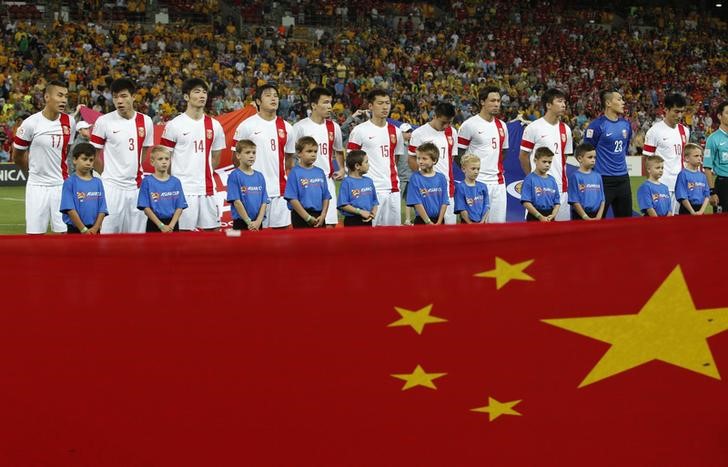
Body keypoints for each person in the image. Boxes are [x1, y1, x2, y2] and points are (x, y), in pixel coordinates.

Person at [160, 78, 226, 231]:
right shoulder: (174, 125)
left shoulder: (215, 125)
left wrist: (203, 172)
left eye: (204, 92)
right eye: (197, 92)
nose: (202, 95)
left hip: (207, 189)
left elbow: (216, 158)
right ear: (186, 97)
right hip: (184, 190)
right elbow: (164, 159)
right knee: (183, 236)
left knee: (213, 234)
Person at [90, 78, 154, 233]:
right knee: (108, 237)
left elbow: (144, 151)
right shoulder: (103, 121)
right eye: (116, 97)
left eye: (124, 96)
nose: (119, 101)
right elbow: (93, 155)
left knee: (137, 238)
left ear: (133, 97)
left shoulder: (145, 121)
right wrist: (106, 175)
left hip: (136, 187)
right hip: (111, 189)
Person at [12, 80, 76, 234]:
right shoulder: (30, 123)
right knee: (35, 235)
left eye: (65, 96)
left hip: (61, 185)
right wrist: (33, 171)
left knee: (64, 233)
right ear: (47, 97)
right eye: (59, 95)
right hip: (37, 187)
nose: (63, 100)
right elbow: (17, 155)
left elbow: (65, 151)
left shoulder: (70, 122)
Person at [232, 84, 293, 228]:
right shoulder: (246, 126)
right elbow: (235, 159)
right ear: (258, 101)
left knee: (282, 235)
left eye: (276, 95)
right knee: (255, 239)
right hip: (254, 192)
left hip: (280, 190)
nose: (273, 98)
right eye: (268, 95)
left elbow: (289, 160)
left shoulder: (287, 127)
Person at [346, 89, 406, 226]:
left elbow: (395, 159)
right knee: (371, 234)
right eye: (380, 103)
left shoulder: (396, 132)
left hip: (393, 189)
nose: (385, 107)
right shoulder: (359, 130)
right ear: (370, 106)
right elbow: (351, 160)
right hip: (371, 190)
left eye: (388, 103)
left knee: (393, 234)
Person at [288, 87, 344, 227]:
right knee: (305, 223)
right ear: (313, 105)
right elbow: (290, 154)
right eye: (325, 102)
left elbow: (338, 150)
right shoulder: (300, 127)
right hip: (306, 182)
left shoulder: (334, 127)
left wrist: (342, 168)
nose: (330, 106)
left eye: (330, 102)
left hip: (327, 179)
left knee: (330, 224)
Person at [519, 88, 573, 221]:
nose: (563, 105)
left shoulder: (565, 129)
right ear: (548, 105)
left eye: (564, 102)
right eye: (559, 101)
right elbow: (523, 156)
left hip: (560, 187)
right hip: (538, 188)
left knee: (561, 234)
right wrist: (533, 178)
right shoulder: (534, 127)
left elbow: (564, 157)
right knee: (535, 233)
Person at [457, 86, 509, 223]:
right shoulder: (469, 125)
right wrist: (470, 174)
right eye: (492, 100)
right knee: (475, 227)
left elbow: (503, 152)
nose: (497, 104)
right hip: (477, 183)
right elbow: (458, 154)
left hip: (498, 183)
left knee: (498, 226)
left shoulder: (502, 126)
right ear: (482, 102)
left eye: (498, 101)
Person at [583, 90, 633, 217]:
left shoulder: (626, 125)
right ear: (608, 103)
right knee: (596, 220)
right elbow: (587, 152)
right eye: (619, 99)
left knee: (626, 222)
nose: (623, 102)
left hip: (623, 179)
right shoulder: (596, 126)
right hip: (602, 180)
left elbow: (624, 149)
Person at [407, 102, 458, 224]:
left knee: (449, 232)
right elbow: (411, 159)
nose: (446, 126)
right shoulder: (419, 133)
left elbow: (451, 159)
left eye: (449, 122)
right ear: (435, 116)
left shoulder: (452, 132)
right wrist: (424, 180)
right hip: (427, 191)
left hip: (446, 189)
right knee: (426, 232)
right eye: (443, 122)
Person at [642, 93, 690, 213]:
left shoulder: (684, 131)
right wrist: (652, 185)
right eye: (676, 111)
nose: (679, 115)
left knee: (679, 224)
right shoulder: (654, 131)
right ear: (666, 110)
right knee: (662, 224)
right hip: (662, 186)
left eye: (682, 112)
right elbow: (647, 159)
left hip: (681, 186)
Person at [284, 136, 331, 228]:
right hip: (301, 216)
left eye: (315, 151)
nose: (313, 154)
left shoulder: (320, 172)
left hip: (319, 216)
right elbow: (292, 198)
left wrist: (323, 215)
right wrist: (307, 218)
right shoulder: (295, 172)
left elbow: (326, 196)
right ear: (299, 153)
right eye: (309, 151)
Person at [59, 142, 107, 234]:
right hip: (76, 230)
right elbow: (70, 209)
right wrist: (83, 229)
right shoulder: (70, 182)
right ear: (74, 160)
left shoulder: (98, 182)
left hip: (94, 230)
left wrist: (95, 228)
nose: (88, 163)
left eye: (91, 160)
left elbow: (102, 209)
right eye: (84, 159)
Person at [137, 146, 187, 232]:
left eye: (167, 159)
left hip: (172, 224)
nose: (164, 162)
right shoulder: (147, 181)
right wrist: (160, 225)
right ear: (152, 162)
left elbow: (180, 206)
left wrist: (171, 225)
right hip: (154, 223)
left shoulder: (176, 182)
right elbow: (145, 208)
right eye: (160, 159)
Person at [226, 139, 269, 231]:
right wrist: (249, 222)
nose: (251, 156)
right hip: (241, 223)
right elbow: (237, 202)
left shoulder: (260, 176)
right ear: (238, 155)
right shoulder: (235, 175)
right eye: (247, 152)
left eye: (254, 153)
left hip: (257, 223)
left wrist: (258, 221)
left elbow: (264, 202)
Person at [406, 142, 449, 225]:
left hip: (439, 220)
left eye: (424, 159)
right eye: (418, 158)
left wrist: (439, 221)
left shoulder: (441, 178)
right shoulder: (415, 178)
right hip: (422, 220)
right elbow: (417, 203)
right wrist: (428, 222)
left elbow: (444, 201)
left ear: (434, 160)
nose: (420, 161)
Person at [337, 150, 379, 227]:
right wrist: (360, 212)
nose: (368, 165)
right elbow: (343, 204)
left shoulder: (369, 181)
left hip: (368, 220)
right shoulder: (346, 182)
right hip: (352, 221)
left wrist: (373, 213)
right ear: (357, 166)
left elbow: (375, 202)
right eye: (366, 162)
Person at [520, 147, 560, 222]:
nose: (547, 165)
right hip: (534, 216)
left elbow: (557, 202)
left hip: (549, 216)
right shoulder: (529, 179)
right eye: (544, 162)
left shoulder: (552, 180)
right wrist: (539, 216)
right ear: (535, 161)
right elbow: (526, 202)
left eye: (549, 162)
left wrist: (553, 215)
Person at [567, 143, 605, 220]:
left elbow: (602, 199)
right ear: (580, 159)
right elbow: (574, 201)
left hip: (596, 216)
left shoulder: (598, 176)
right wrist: (585, 217)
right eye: (590, 157)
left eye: (595, 157)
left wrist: (599, 216)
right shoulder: (575, 177)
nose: (593, 160)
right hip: (580, 216)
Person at [704, 100, 728, 213]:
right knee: (722, 224)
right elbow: (707, 167)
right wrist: (712, 192)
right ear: (719, 116)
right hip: (723, 185)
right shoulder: (713, 139)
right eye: (727, 113)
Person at [454, 153, 489, 223]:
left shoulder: (483, 186)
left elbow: (486, 206)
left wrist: (482, 222)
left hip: (481, 224)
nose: (476, 172)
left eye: (478, 169)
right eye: (473, 169)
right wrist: (470, 224)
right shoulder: (460, 187)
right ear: (463, 169)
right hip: (466, 225)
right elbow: (461, 209)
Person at [675, 143, 709, 215]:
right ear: (687, 158)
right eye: (696, 156)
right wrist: (692, 211)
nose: (699, 158)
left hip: (700, 209)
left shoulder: (702, 176)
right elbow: (682, 196)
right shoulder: (683, 174)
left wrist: (701, 211)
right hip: (687, 209)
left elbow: (707, 195)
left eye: (700, 156)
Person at [397, 123, 414, 225]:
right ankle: (396, 220)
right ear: (401, 133)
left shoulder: (411, 145)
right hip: (400, 177)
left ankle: (408, 220)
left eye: (410, 131)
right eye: (407, 132)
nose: (410, 133)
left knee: (410, 201)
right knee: (396, 200)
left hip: (410, 176)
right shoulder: (398, 146)